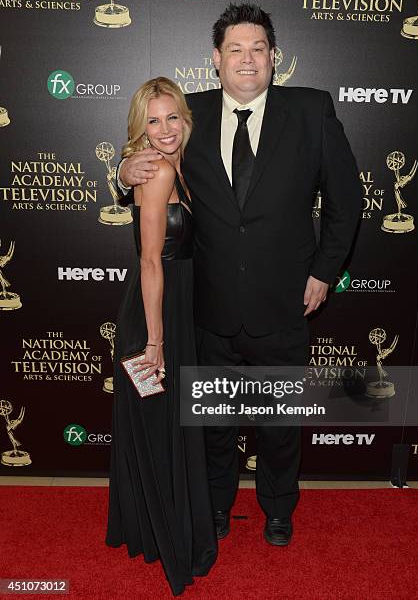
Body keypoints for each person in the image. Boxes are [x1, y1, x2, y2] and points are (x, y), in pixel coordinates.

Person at [117, 4, 363, 547]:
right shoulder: (191, 115)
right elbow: (150, 152)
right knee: (213, 422)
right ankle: (217, 506)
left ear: (274, 58)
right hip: (210, 302)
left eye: (257, 49)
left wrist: (324, 272)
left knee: (280, 425)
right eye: (235, 49)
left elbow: (347, 201)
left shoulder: (312, 110)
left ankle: (279, 506)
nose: (246, 59)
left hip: (285, 301)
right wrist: (122, 167)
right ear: (216, 59)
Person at [105, 77, 217, 596]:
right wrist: (156, 342)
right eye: (153, 120)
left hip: (174, 309)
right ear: (139, 127)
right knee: (161, 421)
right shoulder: (158, 171)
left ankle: (151, 528)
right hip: (157, 314)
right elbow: (151, 260)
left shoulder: (175, 168)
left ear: (186, 120)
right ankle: (168, 535)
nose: (165, 128)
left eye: (173, 117)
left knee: (163, 424)